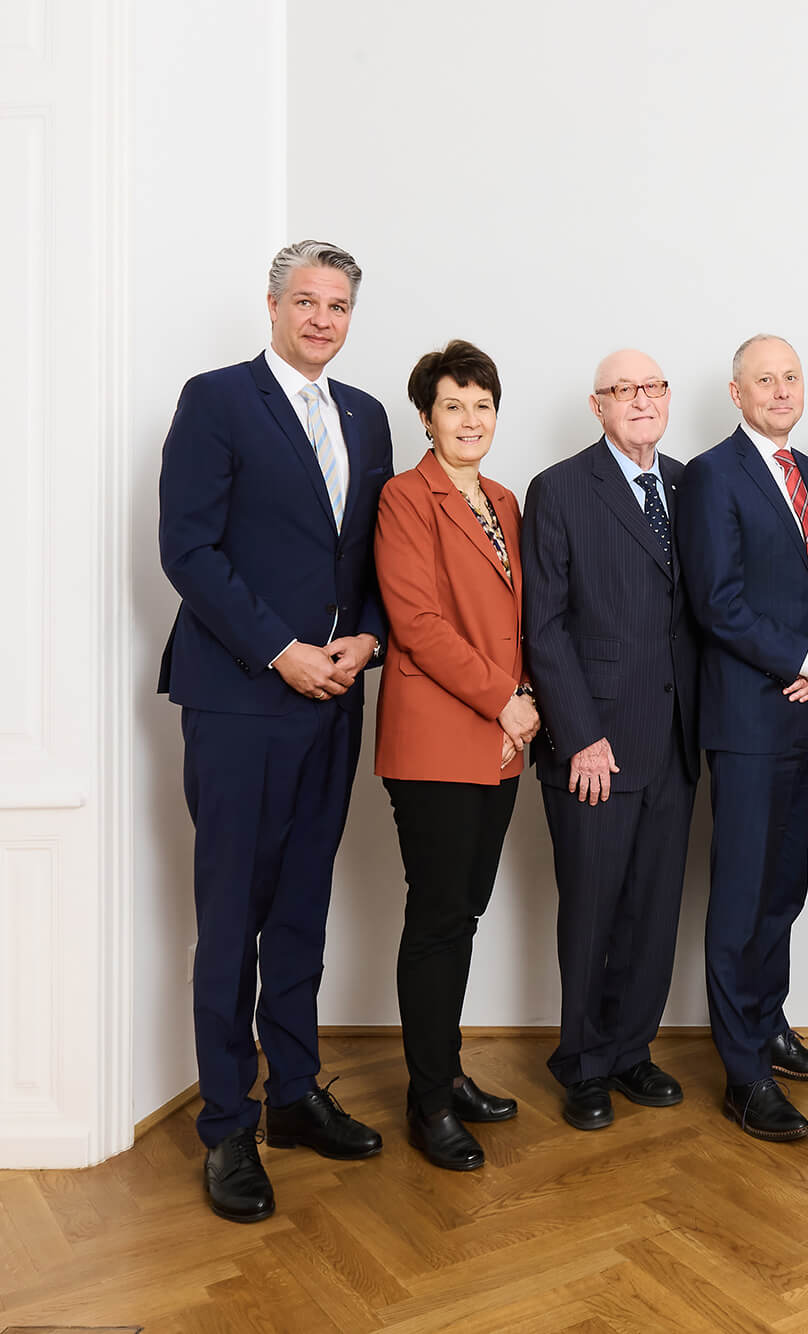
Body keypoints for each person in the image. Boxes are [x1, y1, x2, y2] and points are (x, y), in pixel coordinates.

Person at [158, 239, 391, 1222]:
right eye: (306, 300)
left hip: (334, 699)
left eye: (337, 305)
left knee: (301, 905)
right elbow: (188, 548)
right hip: (243, 698)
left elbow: (375, 548)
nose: (322, 319)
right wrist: (280, 650)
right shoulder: (215, 400)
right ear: (272, 304)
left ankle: (292, 1096)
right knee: (232, 917)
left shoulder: (367, 415)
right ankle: (225, 1126)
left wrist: (368, 638)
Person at [521, 348, 701, 1132]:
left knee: (654, 910)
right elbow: (544, 625)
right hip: (597, 744)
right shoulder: (559, 489)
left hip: (675, 739)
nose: (640, 400)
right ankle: (583, 1062)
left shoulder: (689, 485)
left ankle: (631, 1051)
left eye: (652, 388)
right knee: (591, 909)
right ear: (597, 406)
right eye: (622, 390)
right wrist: (579, 736)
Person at [680, 336, 808, 1141]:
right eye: (764, 380)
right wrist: (802, 657)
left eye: (791, 376)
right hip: (750, 720)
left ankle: (769, 1024)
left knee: (785, 883)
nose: (781, 390)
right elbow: (716, 602)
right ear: (735, 392)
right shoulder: (714, 474)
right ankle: (742, 1073)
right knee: (742, 895)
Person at [372, 339, 537, 1171]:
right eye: (453, 406)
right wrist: (504, 699)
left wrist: (524, 703)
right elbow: (418, 624)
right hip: (437, 741)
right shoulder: (406, 499)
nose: (470, 419)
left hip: (501, 745)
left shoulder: (504, 500)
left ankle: (447, 1070)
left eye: (482, 405)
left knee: (464, 913)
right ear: (427, 417)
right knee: (437, 919)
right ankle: (428, 1100)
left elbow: (516, 623)